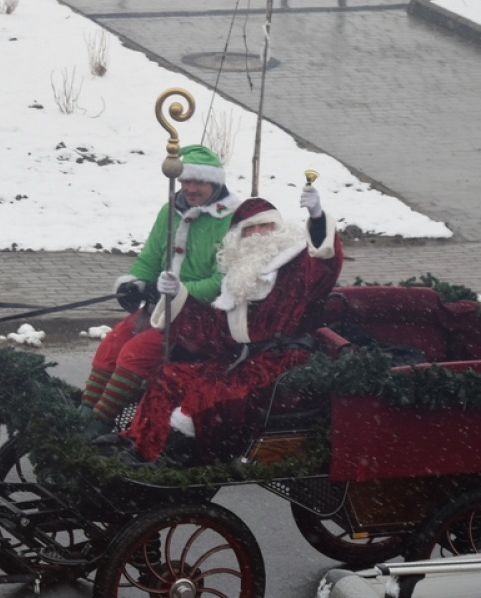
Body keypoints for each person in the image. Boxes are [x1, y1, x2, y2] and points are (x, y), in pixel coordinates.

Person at [118, 184, 342, 467]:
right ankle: (143, 446)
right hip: (242, 359)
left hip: (282, 361)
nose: (257, 235)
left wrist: (318, 217)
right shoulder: (240, 277)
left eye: (265, 227)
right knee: (169, 375)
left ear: (278, 230)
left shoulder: (296, 266)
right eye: (248, 230)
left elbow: (326, 266)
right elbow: (216, 332)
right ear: (238, 238)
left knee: (209, 393)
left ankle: (179, 461)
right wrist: (177, 296)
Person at [82, 144, 240, 432]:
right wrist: (136, 284)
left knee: (134, 353)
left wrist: (178, 291)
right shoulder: (170, 210)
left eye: (199, 182)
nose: (190, 188)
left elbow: (224, 282)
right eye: (185, 181)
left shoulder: (232, 219)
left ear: (215, 182)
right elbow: (149, 259)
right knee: (111, 345)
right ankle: (83, 413)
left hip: (204, 316)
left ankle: (98, 423)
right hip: (162, 309)